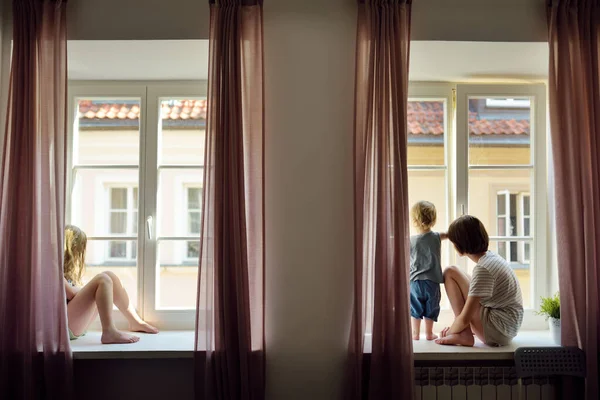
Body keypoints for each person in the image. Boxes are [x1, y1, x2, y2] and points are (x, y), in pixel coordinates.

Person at [435, 215, 523, 347]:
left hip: (498, 331)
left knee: (449, 273)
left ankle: (464, 335)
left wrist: (450, 331)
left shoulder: (483, 269)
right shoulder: (491, 258)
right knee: (451, 271)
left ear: (460, 244)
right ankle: (463, 333)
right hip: (506, 327)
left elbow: (465, 318)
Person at [64, 225, 159, 344]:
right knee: (102, 279)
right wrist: (87, 290)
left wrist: (88, 291)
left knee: (109, 276)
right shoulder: (52, 267)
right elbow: (71, 294)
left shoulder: (63, 270)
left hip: (73, 323)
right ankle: (109, 331)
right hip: (63, 327)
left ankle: (135, 321)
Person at [409, 201, 448, 340]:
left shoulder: (410, 240)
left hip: (414, 281)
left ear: (414, 220)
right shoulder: (437, 236)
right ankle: (429, 333)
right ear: (434, 219)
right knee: (431, 307)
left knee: (415, 308)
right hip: (432, 280)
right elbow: (450, 234)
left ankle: (415, 334)